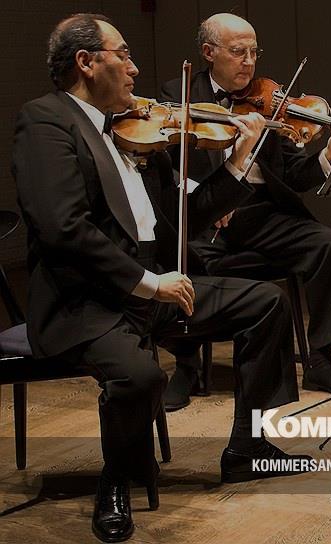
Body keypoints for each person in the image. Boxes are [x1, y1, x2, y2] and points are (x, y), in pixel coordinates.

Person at [12, 14, 313, 543]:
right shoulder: (46, 122)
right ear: (86, 62)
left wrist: (239, 163)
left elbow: (181, 219)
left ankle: (247, 447)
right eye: (124, 54)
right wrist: (150, 284)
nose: (135, 68)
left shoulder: (135, 130)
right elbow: (64, 229)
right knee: (140, 377)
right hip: (88, 301)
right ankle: (116, 480)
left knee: (267, 303)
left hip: (150, 291)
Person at [158, 12, 331, 411]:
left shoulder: (272, 101)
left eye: (254, 52)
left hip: (263, 215)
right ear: (209, 52)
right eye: (238, 52)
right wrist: (206, 195)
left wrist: (328, 155)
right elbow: (168, 165)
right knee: (182, 255)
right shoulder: (180, 94)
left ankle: (320, 359)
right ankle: (186, 365)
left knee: (328, 244)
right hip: (208, 218)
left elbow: (296, 174)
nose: (249, 62)